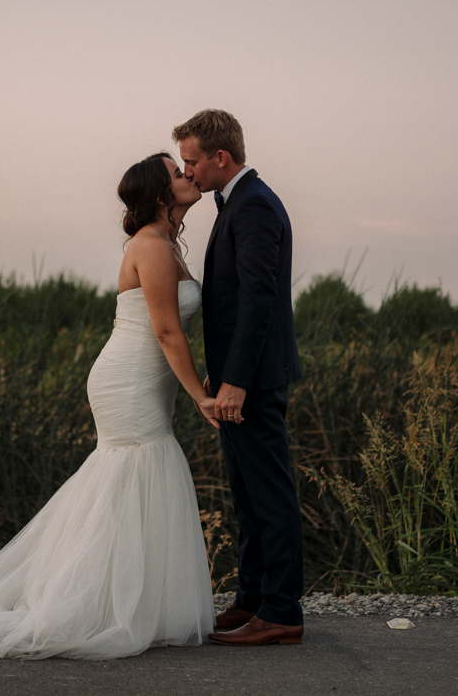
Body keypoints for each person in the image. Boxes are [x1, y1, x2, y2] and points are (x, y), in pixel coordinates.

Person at [0, 153, 219, 660]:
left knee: (129, 476)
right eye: (177, 172)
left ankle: (126, 599)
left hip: (143, 379)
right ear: (160, 193)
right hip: (130, 378)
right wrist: (200, 395)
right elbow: (164, 330)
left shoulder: (164, 244)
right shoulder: (151, 247)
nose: (188, 175)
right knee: (132, 471)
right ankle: (91, 601)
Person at [173, 109, 305, 646]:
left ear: (219, 158)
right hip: (239, 375)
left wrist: (237, 382)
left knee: (270, 494)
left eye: (192, 161)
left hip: (253, 380)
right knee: (247, 494)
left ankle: (281, 611)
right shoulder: (239, 203)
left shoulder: (253, 206)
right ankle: (252, 599)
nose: (189, 172)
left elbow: (258, 299)